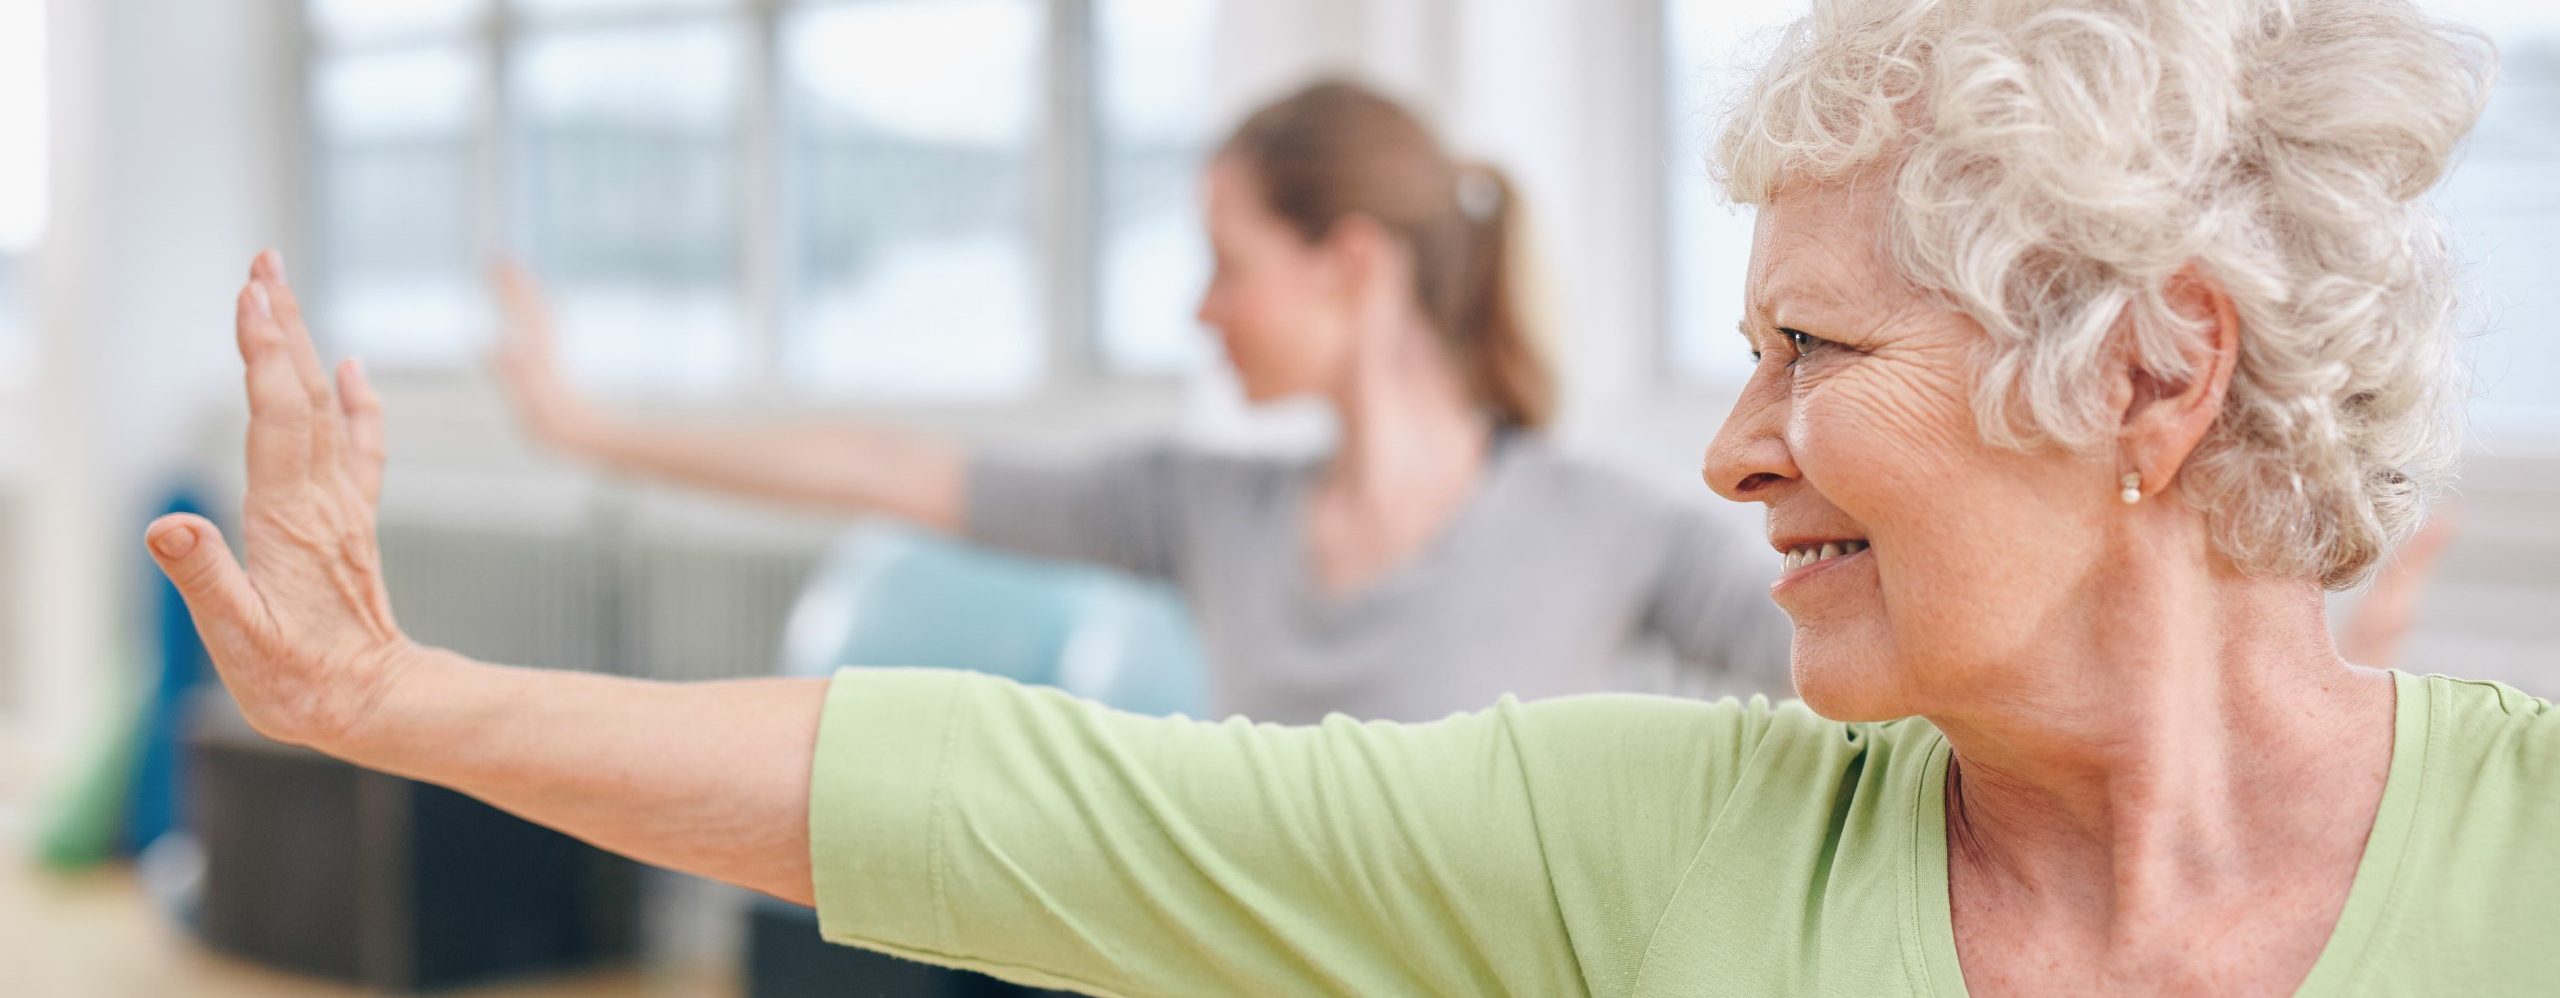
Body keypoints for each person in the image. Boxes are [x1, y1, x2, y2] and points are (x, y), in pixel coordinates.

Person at [147, 0, 2556, 993]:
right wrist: (402, 696)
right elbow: (1012, 790)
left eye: (1808, 357)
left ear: (2152, 379)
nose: (1726, 451)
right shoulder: (1666, 842)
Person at [490, 81, 1791, 724]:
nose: (1199, 310)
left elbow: (1870, 689)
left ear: (1352, 265)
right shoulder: (1195, 504)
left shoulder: (1621, 530)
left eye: (1230, 267)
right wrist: (592, 429)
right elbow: (884, 465)